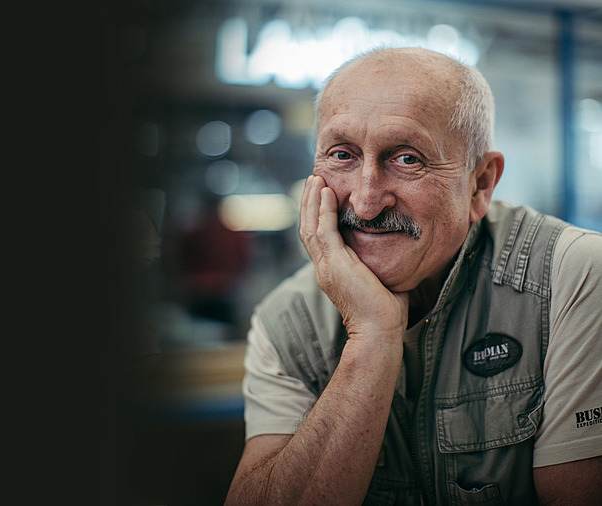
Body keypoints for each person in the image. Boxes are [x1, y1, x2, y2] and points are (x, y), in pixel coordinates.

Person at [224, 47, 602, 505]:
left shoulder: (572, 275)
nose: (364, 203)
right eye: (342, 155)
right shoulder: (287, 321)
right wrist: (373, 336)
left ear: (480, 184)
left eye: (406, 159)